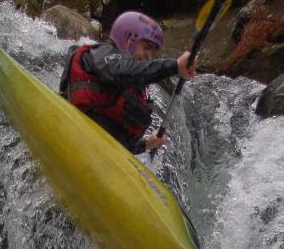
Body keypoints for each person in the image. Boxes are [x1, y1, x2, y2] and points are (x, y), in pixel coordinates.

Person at [59, 11, 196, 155]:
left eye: (152, 53)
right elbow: (118, 72)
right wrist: (174, 66)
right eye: (146, 48)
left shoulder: (131, 86)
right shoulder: (100, 54)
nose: (149, 57)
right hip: (75, 133)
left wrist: (146, 144)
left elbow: (121, 145)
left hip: (101, 152)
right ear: (128, 40)